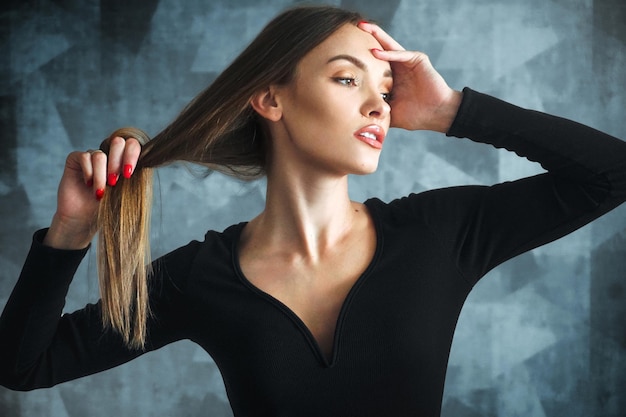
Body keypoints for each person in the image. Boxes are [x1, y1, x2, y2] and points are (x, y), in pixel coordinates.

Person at [1, 5, 625, 416]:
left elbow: (613, 173)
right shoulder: (198, 279)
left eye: (385, 91)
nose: (380, 107)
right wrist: (71, 232)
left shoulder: (441, 233)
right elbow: (23, 367)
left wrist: (451, 111)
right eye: (348, 79)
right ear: (270, 98)